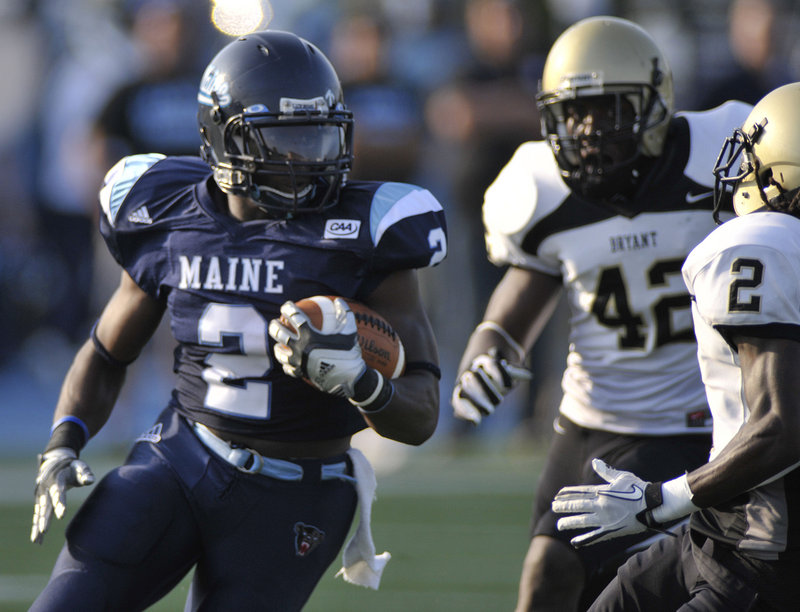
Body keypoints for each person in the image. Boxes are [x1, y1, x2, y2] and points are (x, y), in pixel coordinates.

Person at [29, 30, 447, 611]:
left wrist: (362, 382)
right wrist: (64, 440)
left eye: (319, 135)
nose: (308, 159)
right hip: (178, 461)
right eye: (285, 139)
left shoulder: (367, 232)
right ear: (221, 138)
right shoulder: (167, 212)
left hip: (298, 492)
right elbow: (106, 352)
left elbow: (422, 413)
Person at [449, 16, 752, 611]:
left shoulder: (724, 155)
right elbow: (524, 288)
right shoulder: (541, 186)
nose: (587, 132)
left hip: (715, 416)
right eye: (573, 114)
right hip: (601, 420)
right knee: (550, 574)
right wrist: (490, 345)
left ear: (653, 106)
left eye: (607, 111)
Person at [551, 81, 800, 611]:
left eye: (753, 158)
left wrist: (659, 501)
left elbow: (781, 427)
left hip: (764, 551)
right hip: (717, 530)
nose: (740, 168)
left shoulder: (762, 244)